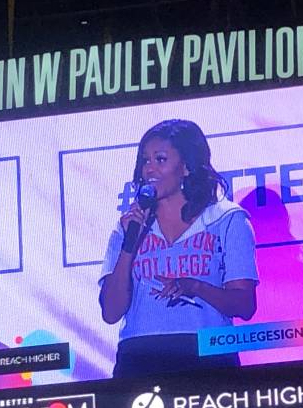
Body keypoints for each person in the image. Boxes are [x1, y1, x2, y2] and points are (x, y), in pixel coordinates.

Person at [99, 119, 258, 377]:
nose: (149, 169)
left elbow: (245, 305)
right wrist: (130, 244)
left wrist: (195, 286)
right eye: (145, 160)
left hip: (208, 354)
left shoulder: (226, 219)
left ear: (185, 167)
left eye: (160, 159)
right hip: (139, 356)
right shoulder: (128, 226)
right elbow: (111, 312)